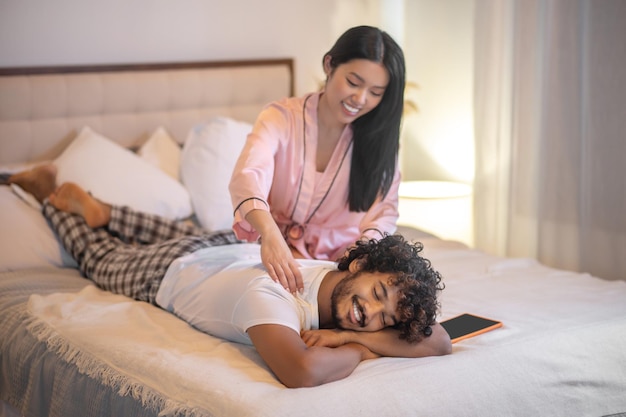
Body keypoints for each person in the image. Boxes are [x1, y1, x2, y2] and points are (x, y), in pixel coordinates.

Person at [7, 164, 451, 388]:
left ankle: (107, 211)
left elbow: (440, 340)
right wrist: (358, 347)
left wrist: (346, 338)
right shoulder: (271, 298)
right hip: (168, 271)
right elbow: (300, 371)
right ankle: (48, 193)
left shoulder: (339, 283)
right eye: (376, 293)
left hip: (224, 247)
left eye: (385, 319)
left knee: (181, 231)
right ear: (358, 264)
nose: (369, 313)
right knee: (100, 256)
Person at [229, 25, 406, 295]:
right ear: (329, 65)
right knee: (268, 300)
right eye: (353, 82)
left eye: (376, 92)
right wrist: (269, 234)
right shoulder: (281, 118)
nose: (360, 99)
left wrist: (361, 260)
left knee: (397, 304)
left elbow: (382, 215)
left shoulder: (379, 141)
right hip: (276, 254)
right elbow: (248, 175)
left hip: (344, 263)